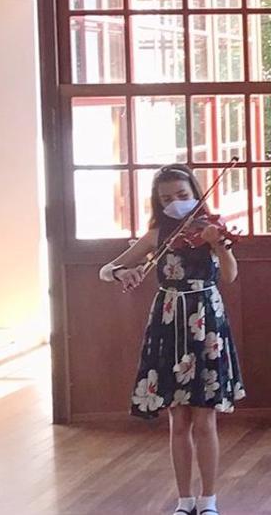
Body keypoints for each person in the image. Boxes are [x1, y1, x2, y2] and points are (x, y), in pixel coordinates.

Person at [99, 164, 244, 515]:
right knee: (177, 420)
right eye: (167, 198)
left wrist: (217, 244)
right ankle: (184, 501)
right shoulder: (156, 235)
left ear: (194, 193)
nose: (176, 203)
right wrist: (124, 271)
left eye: (182, 195)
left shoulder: (210, 228)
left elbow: (230, 274)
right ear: (157, 202)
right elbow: (106, 270)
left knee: (204, 417)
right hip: (168, 319)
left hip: (205, 319)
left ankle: (208, 500)